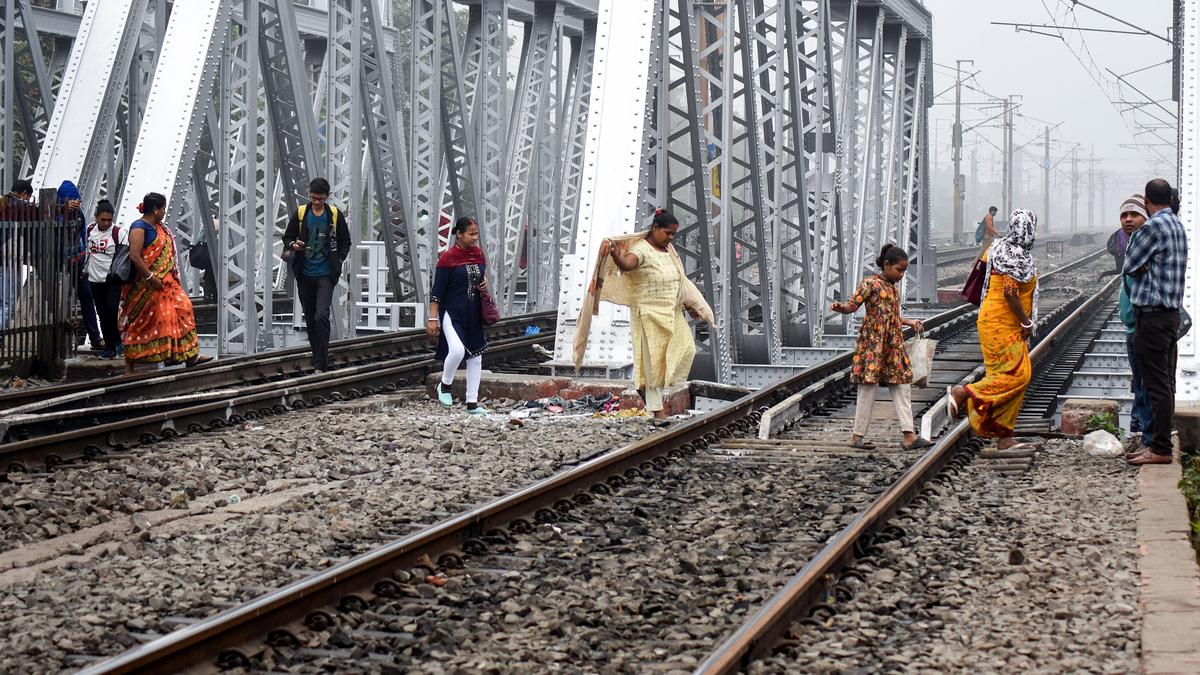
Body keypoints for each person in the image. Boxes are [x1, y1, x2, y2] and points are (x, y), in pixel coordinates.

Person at [585, 208, 714, 420]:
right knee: (653, 364)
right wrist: (616, 254)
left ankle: (650, 389)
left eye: (673, 234)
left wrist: (689, 303)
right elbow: (628, 265)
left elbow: (678, 279)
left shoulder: (669, 251)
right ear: (655, 228)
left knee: (686, 349)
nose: (671, 238)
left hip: (672, 312)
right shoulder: (641, 249)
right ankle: (657, 411)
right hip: (649, 314)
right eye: (667, 233)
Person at [949, 209, 1040, 450]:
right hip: (1002, 324)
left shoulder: (998, 247)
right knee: (1018, 375)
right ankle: (965, 392)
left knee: (1008, 375)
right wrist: (1026, 322)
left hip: (993, 321)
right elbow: (1010, 292)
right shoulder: (1015, 254)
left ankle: (1004, 437)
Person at [831, 244, 934, 450]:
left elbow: (891, 316)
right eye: (899, 269)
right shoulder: (870, 284)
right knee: (868, 388)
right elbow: (852, 306)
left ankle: (909, 435)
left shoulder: (893, 290)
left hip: (893, 343)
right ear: (886, 265)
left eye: (904, 270)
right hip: (873, 344)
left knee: (902, 386)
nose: (902, 274)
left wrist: (909, 322)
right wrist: (840, 307)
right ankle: (857, 436)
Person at [1123, 179, 1188, 466]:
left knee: (1154, 385)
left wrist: (1144, 265)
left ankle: (1159, 448)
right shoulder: (1176, 225)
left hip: (1151, 318)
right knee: (1165, 382)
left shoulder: (1152, 227)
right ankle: (1157, 443)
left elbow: (1130, 265)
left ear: (1147, 200)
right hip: (1170, 316)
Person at [119, 192, 211, 375]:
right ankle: (130, 367)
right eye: (163, 208)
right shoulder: (139, 227)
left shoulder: (161, 228)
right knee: (142, 323)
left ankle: (190, 355)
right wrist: (151, 278)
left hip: (167, 283)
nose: (164, 212)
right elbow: (135, 256)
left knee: (183, 310)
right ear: (155, 210)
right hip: (145, 286)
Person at [282, 177, 351, 371]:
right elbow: (287, 236)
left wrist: (338, 259)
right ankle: (318, 357)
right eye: (313, 198)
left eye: (321, 198)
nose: (317, 202)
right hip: (304, 274)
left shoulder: (335, 215)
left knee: (321, 315)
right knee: (311, 318)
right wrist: (293, 245)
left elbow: (346, 240)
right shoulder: (302, 213)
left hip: (325, 274)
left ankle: (322, 363)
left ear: (328, 197)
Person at [427, 217, 491, 414]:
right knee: (456, 350)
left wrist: (484, 281)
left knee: (476, 357)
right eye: (471, 234)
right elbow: (437, 290)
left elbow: (477, 275)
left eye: (476, 234)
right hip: (453, 312)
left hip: (473, 312)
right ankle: (445, 385)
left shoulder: (478, 254)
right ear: (459, 234)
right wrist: (432, 318)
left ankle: (472, 403)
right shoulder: (447, 259)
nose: (475, 238)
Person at [1115, 195, 1152, 447]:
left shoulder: (1146, 244)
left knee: (1144, 380)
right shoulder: (1132, 244)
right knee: (1139, 379)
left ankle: (1144, 432)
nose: (1128, 220)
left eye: (1134, 215)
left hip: (1144, 326)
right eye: (1124, 215)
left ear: (1145, 217)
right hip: (1134, 326)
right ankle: (1139, 430)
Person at [57, 180, 102, 350]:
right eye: (72, 198)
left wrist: (85, 263)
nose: (76, 202)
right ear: (62, 198)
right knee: (59, 302)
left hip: (78, 262)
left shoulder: (79, 215)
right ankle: (60, 341)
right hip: (59, 265)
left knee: (87, 298)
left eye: (78, 199)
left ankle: (95, 337)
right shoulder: (54, 214)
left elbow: (83, 237)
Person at [83, 200, 123, 359]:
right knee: (102, 314)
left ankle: (117, 343)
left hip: (112, 279)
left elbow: (124, 255)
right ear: (96, 217)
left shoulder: (118, 233)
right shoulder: (90, 230)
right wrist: (85, 270)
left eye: (109, 220)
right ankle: (110, 346)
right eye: (103, 220)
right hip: (94, 279)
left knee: (112, 311)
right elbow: (87, 252)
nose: (106, 223)